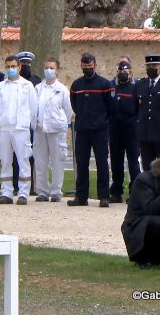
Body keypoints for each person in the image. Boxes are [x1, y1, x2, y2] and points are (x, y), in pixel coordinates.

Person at [67, 52, 113, 208]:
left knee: (102, 163)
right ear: (81, 66)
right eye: (85, 66)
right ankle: (81, 196)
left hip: (99, 130)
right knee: (81, 164)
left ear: (95, 65)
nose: (87, 68)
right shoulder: (76, 85)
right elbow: (74, 104)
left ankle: (104, 197)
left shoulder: (104, 85)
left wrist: (102, 121)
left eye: (90, 66)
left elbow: (110, 107)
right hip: (82, 129)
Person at [0, 55, 37, 205]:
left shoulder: (27, 86)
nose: (10, 69)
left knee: (23, 160)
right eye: (8, 67)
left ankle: (23, 193)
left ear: (19, 67)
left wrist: (27, 123)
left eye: (13, 66)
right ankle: (6, 192)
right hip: (4, 129)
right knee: (5, 161)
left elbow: (33, 108)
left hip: (20, 129)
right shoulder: (0, 87)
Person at [33, 56, 72, 202]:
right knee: (40, 161)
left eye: (51, 68)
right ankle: (42, 191)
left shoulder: (62, 89)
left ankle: (56, 191)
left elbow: (68, 110)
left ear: (57, 70)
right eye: (46, 67)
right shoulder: (38, 88)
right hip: (40, 129)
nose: (48, 70)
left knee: (57, 160)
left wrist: (60, 122)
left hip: (56, 130)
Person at [108, 60, 140, 204]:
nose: (123, 74)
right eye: (120, 72)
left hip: (131, 129)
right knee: (116, 161)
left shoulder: (135, 89)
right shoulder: (113, 88)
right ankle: (116, 191)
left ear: (131, 73)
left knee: (133, 162)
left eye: (125, 72)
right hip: (115, 128)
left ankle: (135, 192)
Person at [11, 51, 41, 196]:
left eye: (28, 64)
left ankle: (30, 185)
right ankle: (16, 185)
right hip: (16, 124)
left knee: (31, 156)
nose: (26, 67)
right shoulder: (12, 82)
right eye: (24, 64)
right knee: (16, 157)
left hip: (30, 124)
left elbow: (36, 104)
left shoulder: (36, 81)